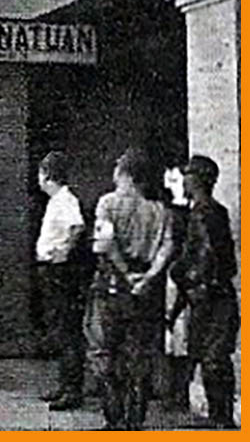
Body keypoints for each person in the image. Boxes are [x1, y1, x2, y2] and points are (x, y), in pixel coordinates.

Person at [86, 148, 174, 430]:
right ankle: (136, 421)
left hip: (111, 287)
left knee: (103, 352)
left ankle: (114, 420)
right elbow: (166, 249)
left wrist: (124, 272)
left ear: (123, 172)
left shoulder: (108, 204)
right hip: (144, 293)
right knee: (139, 355)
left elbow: (104, 243)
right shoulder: (160, 211)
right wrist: (147, 277)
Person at [169, 155, 238, 429]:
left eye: (187, 174)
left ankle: (222, 420)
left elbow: (209, 260)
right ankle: (218, 417)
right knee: (210, 357)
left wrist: (187, 276)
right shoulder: (206, 211)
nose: (183, 180)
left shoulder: (205, 213)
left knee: (213, 359)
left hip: (211, 300)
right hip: (209, 298)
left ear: (196, 179)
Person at [35, 151, 87, 411]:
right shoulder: (57, 201)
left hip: (58, 272)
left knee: (67, 331)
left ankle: (72, 389)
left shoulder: (65, 199)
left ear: (46, 174)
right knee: (59, 329)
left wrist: (65, 249)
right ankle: (64, 384)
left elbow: (77, 227)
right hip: (50, 270)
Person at [160, 162, 193, 412]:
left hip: (182, 278)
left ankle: (180, 393)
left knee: (180, 336)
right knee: (173, 339)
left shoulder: (185, 215)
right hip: (172, 277)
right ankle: (173, 391)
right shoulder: (171, 212)